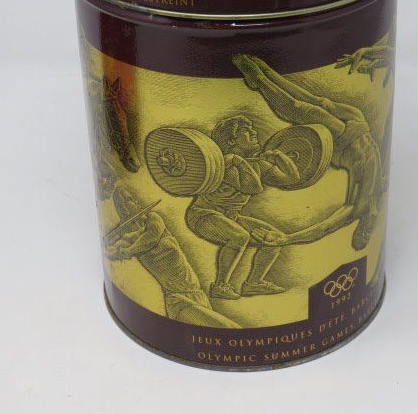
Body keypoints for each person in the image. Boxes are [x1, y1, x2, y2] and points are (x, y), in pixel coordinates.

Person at [232, 54, 385, 251]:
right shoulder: (372, 200)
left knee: (308, 105)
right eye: (364, 235)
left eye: (362, 235)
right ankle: (261, 77)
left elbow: (325, 227)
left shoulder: (361, 205)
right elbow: (325, 227)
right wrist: (286, 239)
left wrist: (287, 239)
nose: (365, 232)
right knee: (303, 106)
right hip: (353, 135)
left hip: (354, 134)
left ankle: (262, 74)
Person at [185, 116, 300, 300]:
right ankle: (220, 286)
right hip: (203, 215)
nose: (254, 133)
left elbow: (292, 179)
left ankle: (253, 283)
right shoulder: (225, 164)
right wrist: (239, 161)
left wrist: (279, 157)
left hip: (231, 217)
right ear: (231, 141)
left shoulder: (253, 163)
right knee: (239, 237)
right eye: (246, 131)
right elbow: (252, 187)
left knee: (274, 238)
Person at [106, 187, 240, 328]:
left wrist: (127, 251)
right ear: (124, 209)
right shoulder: (129, 239)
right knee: (230, 329)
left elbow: (151, 238)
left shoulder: (153, 219)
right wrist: (112, 248)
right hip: (179, 301)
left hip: (198, 295)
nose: (137, 202)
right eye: (130, 200)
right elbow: (118, 248)